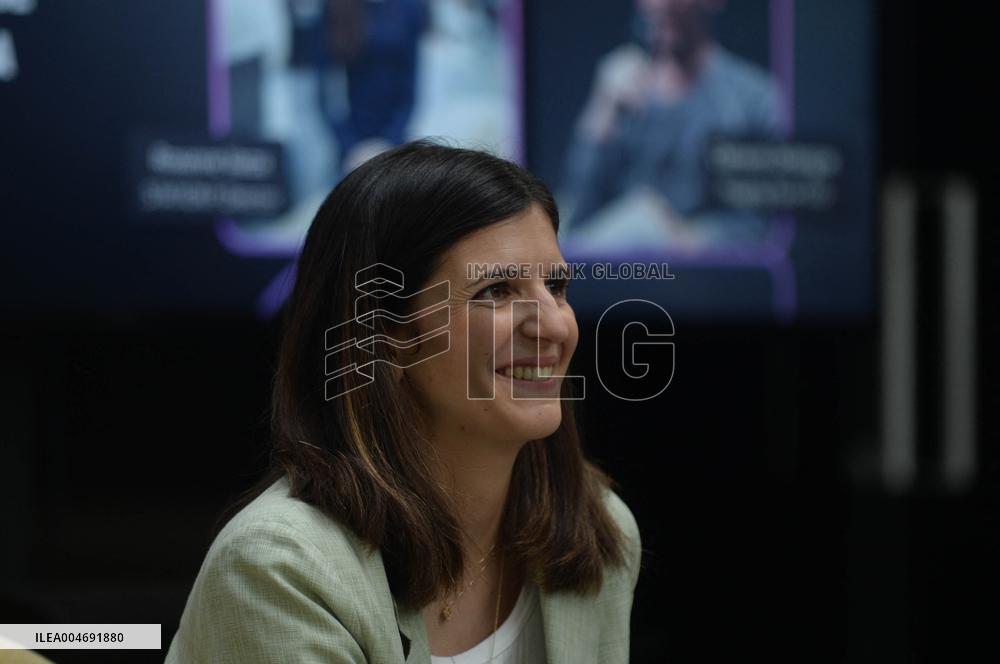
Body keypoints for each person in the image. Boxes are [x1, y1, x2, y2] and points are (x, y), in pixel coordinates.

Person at [165, 141, 642, 663]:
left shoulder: (601, 530)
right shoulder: (279, 568)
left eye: (556, 286)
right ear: (383, 334)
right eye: (497, 291)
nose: (555, 325)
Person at [562, 0, 784, 251]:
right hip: (617, 275)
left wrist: (680, 236)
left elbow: (761, 226)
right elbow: (576, 215)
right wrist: (600, 111)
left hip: (706, 278)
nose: (657, 5)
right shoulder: (623, 89)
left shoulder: (753, 100)